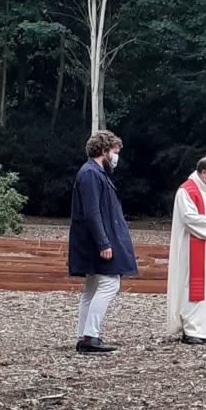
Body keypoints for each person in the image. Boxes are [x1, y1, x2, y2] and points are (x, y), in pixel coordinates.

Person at [68, 130, 137, 354]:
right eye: (114, 152)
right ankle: (90, 335)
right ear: (104, 151)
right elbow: (92, 213)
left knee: (92, 287)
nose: (116, 157)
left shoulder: (94, 173)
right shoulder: (91, 174)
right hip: (96, 242)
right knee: (109, 284)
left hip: (92, 241)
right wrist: (104, 243)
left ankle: (85, 334)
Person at [167, 155, 206, 345]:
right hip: (192, 248)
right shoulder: (186, 191)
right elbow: (189, 219)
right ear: (203, 173)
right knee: (194, 287)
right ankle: (191, 329)